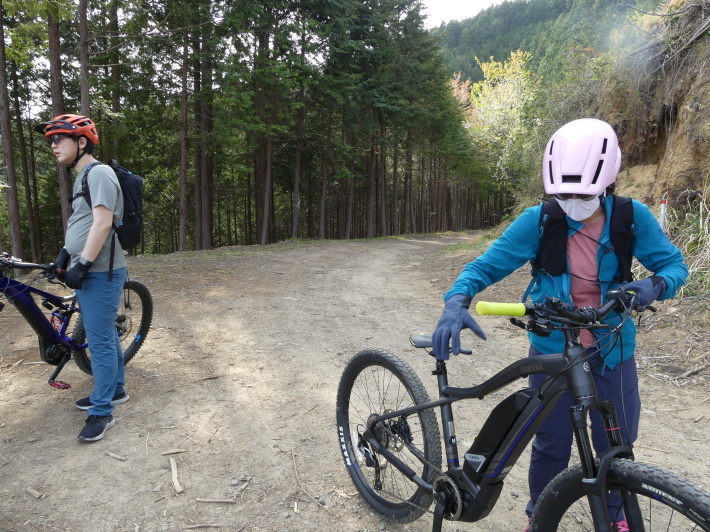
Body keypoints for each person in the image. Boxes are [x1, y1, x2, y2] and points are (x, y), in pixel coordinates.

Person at [432, 118, 688, 531]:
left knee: (616, 447)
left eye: (582, 193)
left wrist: (656, 284)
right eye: (562, 193)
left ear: (608, 180)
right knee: (550, 445)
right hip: (552, 350)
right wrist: (456, 299)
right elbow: (485, 266)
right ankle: (541, 514)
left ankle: (615, 516)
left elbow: (675, 265)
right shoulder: (540, 220)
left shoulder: (630, 217)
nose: (572, 201)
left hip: (612, 348)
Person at [36, 114, 129, 442]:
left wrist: (83, 264)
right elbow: (83, 220)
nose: (53, 145)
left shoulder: (99, 172)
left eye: (59, 138)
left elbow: (103, 223)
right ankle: (116, 390)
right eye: (51, 140)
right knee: (105, 335)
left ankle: (102, 411)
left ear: (82, 142)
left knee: (101, 340)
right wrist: (65, 253)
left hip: (101, 272)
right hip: (93, 269)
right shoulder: (83, 176)